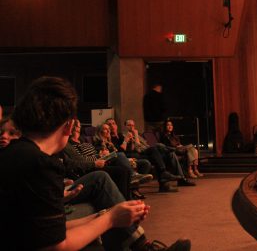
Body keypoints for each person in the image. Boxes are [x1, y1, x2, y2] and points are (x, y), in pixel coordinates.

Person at [0, 76, 191, 250]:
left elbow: (30, 226)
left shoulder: (12, 154)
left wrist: (103, 215)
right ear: (68, 127)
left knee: (98, 206)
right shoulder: (40, 164)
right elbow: (56, 246)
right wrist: (111, 218)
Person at [123, 119, 195, 188]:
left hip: (150, 150)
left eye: (133, 125)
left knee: (171, 154)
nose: (131, 127)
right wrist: (134, 136)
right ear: (125, 127)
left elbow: (147, 145)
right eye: (129, 125)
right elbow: (138, 149)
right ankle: (176, 150)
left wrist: (137, 136)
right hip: (143, 153)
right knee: (158, 146)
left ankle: (182, 179)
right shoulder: (124, 136)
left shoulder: (139, 135)